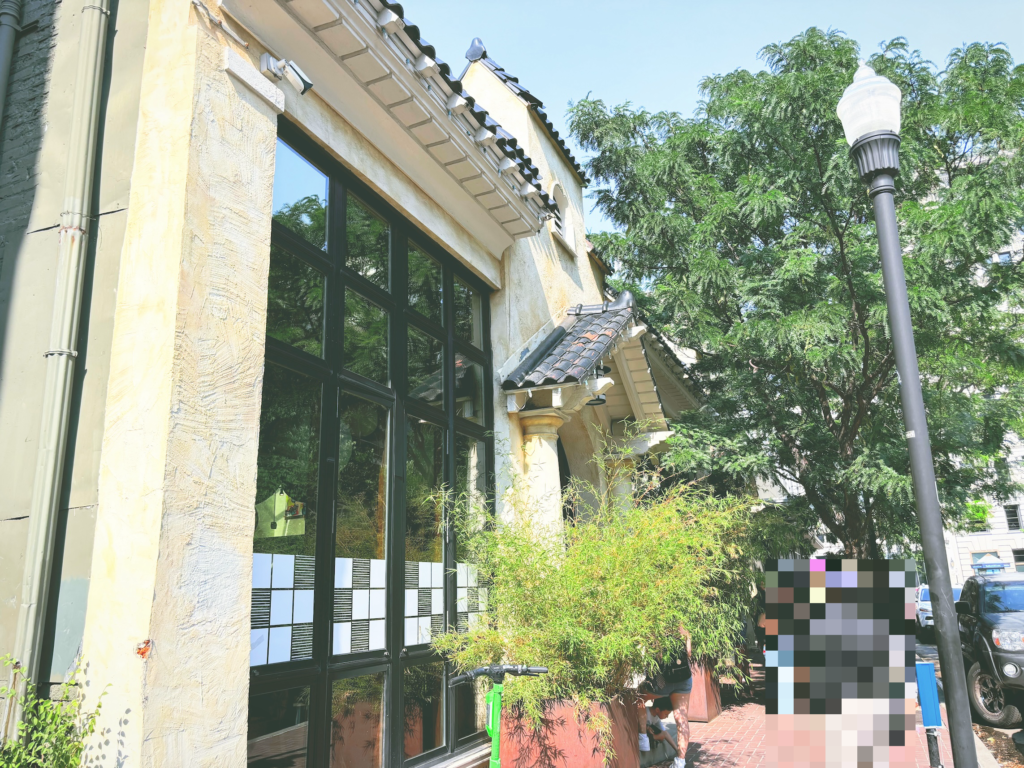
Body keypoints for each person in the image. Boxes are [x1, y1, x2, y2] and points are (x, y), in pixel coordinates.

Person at [642, 625, 692, 768]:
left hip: (664, 682)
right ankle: (680, 761)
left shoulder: (657, 625)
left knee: (636, 698)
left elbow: (657, 657)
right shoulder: (684, 627)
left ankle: (641, 738)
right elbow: (688, 652)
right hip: (683, 678)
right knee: (681, 717)